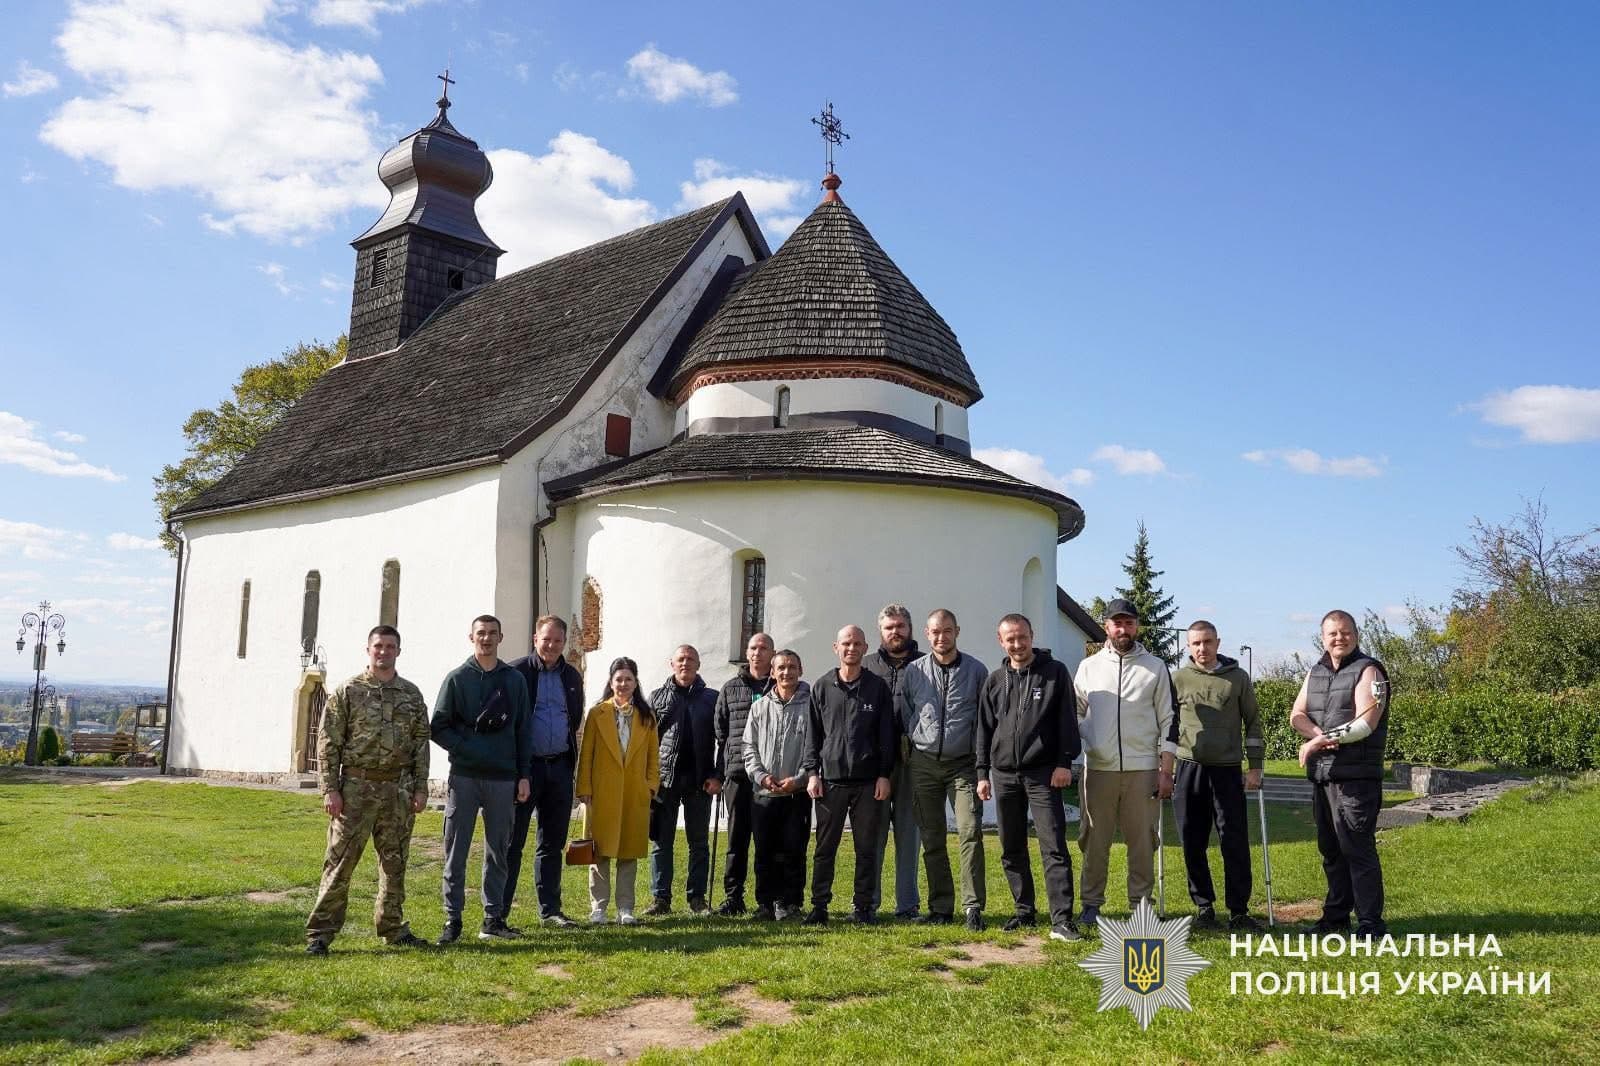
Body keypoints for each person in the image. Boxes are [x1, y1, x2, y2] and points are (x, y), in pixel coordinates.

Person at [305, 625, 431, 955]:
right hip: (355, 789)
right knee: (340, 863)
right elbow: (328, 742)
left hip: (396, 790)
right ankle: (320, 934)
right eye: (378, 646)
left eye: (390, 646)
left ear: (398, 652)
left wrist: (421, 788)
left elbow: (421, 745)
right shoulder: (348, 691)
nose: (384, 651)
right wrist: (329, 789)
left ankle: (392, 926)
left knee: (395, 863)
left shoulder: (411, 695)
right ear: (368, 650)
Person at [976, 613, 1084, 942]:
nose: (1018, 644)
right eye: (1010, 639)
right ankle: (1024, 910)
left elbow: (1067, 719)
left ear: (1031, 635)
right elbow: (983, 729)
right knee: (1011, 846)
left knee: (1053, 846)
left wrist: (1065, 761)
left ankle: (1062, 920)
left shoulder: (1054, 674)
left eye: (1022, 637)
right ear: (1001, 641)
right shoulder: (994, 680)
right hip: (1004, 774)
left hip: (1043, 774)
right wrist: (982, 773)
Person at [1073, 598, 1177, 932]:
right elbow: (1074, 711)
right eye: (1116, 623)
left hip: (1142, 769)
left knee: (1143, 841)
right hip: (1098, 769)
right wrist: (1088, 740)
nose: (1123, 629)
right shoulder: (1089, 667)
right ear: (1106, 626)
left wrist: (1165, 770)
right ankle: (1090, 905)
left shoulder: (1156, 667)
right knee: (1094, 840)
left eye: (1129, 623)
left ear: (1137, 626)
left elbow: (1169, 720)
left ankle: (1141, 906)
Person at [430, 615, 532, 944]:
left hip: (503, 778)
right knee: (455, 849)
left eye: (491, 633)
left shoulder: (514, 680)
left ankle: (493, 918)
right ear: (471, 637)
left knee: (498, 851)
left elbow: (523, 730)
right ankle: (452, 919)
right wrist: (466, 747)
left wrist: (523, 775)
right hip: (465, 777)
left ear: (501, 637)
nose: (486, 639)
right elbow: (439, 725)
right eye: (480, 634)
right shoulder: (457, 679)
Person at [1291, 609, 1390, 938]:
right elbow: (1296, 715)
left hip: (1356, 778)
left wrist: (1321, 739)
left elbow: (1366, 723)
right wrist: (1317, 732)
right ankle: (1335, 919)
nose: (1339, 638)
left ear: (1356, 635)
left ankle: (1370, 924)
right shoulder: (1315, 672)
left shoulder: (1370, 671)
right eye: (1333, 633)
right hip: (1323, 776)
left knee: (1357, 849)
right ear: (1323, 637)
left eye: (1346, 632)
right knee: (1331, 850)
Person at [1172, 620, 1264, 931]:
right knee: (1191, 840)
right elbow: (1166, 726)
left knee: (1234, 840)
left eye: (1208, 642)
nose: (1202, 648)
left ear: (1218, 642)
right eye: (1196, 643)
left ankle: (1238, 909)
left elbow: (1253, 722)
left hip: (1227, 770)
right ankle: (1203, 906)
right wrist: (1164, 766)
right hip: (1188, 768)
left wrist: (1255, 765)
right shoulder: (1178, 679)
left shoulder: (1237, 678)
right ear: (1188, 646)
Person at [900, 609, 988, 930]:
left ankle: (972, 906)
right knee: (932, 836)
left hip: (962, 765)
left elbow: (983, 719)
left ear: (957, 631)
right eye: (935, 632)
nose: (941, 637)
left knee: (969, 831)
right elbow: (907, 711)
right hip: (923, 765)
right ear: (926, 633)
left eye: (947, 631)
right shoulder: (915, 672)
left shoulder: (977, 671)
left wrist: (981, 767)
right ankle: (940, 906)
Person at [802, 624, 895, 925]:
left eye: (857, 643)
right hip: (830, 781)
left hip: (868, 782)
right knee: (824, 848)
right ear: (836, 648)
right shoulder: (822, 686)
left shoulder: (877, 687)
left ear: (865, 648)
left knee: (866, 848)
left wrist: (884, 775)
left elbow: (887, 736)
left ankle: (863, 907)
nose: (851, 648)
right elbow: (812, 736)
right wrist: (812, 773)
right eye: (846, 643)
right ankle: (819, 906)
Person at [505, 615, 586, 929]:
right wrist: (517, 770)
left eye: (557, 640)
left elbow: (574, 717)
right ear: (534, 639)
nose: (551, 645)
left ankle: (550, 910)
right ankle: (498, 913)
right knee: (513, 843)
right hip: (526, 770)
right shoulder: (515, 673)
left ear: (564, 643)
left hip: (560, 767)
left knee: (552, 844)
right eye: (545, 639)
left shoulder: (571, 676)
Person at [576, 657, 660, 925]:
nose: (623, 684)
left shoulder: (646, 717)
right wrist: (584, 788)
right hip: (602, 793)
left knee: (628, 853)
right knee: (598, 852)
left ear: (636, 683)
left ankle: (626, 908)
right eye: (618, 679)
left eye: (628, 679)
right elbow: (586, 754)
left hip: (634, 793)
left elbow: (653, 757)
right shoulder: (597, 713)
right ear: (611, 683)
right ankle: (598, 908)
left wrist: (650, 787)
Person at [645, 645, 720, 915]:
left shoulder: (712, 698)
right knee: (661, 842)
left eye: (690, 659)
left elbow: (723, 740)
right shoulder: (657, 697)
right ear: (671, 664)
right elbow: (647, 742)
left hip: (700, 781)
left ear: (698, 664)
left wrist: (717, 775)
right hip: (665, 781)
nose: (685, 664)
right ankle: (660, 898)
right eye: (680, 659)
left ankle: (697, 898)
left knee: (698, 842)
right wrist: (649, 779)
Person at [741, 649, 813, 921]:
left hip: (796, 794)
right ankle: (765, 904)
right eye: (781, 667)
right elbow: (748, 747)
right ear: (772, 672)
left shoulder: (811, 706)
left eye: (792, 667)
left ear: (800, 669)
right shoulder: (759, 707)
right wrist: (761, 776)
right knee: (764, 852)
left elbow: (814, 749)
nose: (786, 672)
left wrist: (799, 779)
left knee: (794, 850)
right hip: (764, 793)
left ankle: (791, 903)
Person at [863, 604, 922, 919]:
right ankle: (868, 902)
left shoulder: (925, 664)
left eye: (900, 626)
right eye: (889, 627)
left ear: (909, 629)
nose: (895, 632)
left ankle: (908, 905)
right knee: (873, 835)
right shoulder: (868, 666)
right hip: (875, 762)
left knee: (909, 835)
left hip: (913, 760)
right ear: (880, 631)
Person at [712, 632, 776, 916]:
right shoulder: (731, 688)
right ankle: (733, 897)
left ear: (772, 653)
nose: (757, 653)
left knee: (766, 841)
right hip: (737, 775)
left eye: (763, 648)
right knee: (736, 842)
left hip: (769, 775)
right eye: (752, 648)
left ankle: (766, 900)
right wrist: (720, 772)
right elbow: (721, 733)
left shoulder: (780, 686)